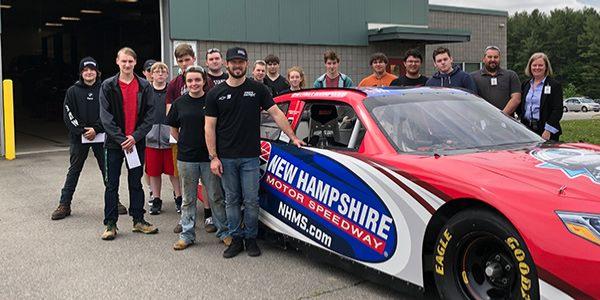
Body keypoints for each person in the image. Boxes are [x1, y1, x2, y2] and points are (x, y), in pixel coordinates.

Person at [205, 47, 304, 258]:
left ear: (246, 64)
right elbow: (209, 127)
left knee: (251, 200)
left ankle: (250, 238)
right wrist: (213, 157)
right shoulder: (215, 93)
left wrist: (293, 137)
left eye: (241, 62)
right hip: (226, 158)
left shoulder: (258, 89)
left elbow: (276, 113)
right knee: (231, 200)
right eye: (233, 62)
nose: (237, 66)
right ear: (226, 64)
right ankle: (236, 239)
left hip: (251, 156)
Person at [51, 57, 127, 220]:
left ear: (97, 72)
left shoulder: (105, 89)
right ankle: (64, 204)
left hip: (102, 136)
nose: (89, 73)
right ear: (81, 73)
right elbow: (68, 113)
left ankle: (115, 202)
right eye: (85, 70)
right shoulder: (72, 91)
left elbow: (110, 112)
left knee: (107, 170)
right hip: (79, 138)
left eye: (92, 69)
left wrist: (97, 128)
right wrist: (81, 130)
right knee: (74, 171)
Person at [167, 65, 230, 250]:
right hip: (187, 158)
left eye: (197, 80)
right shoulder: (179, 103)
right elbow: (173, 129)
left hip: (210, 158)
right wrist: (184, 144)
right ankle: (187, 234)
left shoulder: (212, 101)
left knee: (216, 196)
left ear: (204, 81)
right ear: (185, 83)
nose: (194, 83)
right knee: (188, 198)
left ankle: (224, 232)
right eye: (190, 80)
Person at [99, 47, 157, 240]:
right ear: (117, 61)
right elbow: (105, 118)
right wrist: (122, 138)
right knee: (111, 184)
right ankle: (110, 224)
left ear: (135, 63)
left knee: (136, 182)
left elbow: (150, 115)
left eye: (130, 61)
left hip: (136, 144)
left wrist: (135, 136)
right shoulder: (108, 85)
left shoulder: (144, 86)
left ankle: (138, 220)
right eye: (123, 61)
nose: (127, 65)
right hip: (115, 145)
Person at [145, 62, 182, 215]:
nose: (160, 74)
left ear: (167, 74)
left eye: (163, 71)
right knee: (153, 172)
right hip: (151, 138)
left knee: (174, 171)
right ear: (151, 74)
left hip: (170, 137)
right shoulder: (146, 91)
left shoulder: (172, 90)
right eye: (156, 71)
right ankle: (156, 199)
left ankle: (179, 198)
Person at [517, 52, 563, 141]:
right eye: (534, 65)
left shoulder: (554, 85)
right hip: (527, 129)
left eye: (540, 65)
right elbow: (521, 106)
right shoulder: (525, 84)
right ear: (530, 67)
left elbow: (557, 110)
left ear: (546, 67)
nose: (537, 68)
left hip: (546, 130)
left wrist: (548, 130)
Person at [471, 46, 521, 115]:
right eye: (489, 57)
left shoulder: (511, 75)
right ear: (484, 59)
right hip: (482, 120)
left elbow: (516, 99)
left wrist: (501, 116)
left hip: (506, 121)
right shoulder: (473, 77)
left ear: (500, 59)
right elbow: (471, 101)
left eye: (496, 57)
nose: (493, 59)